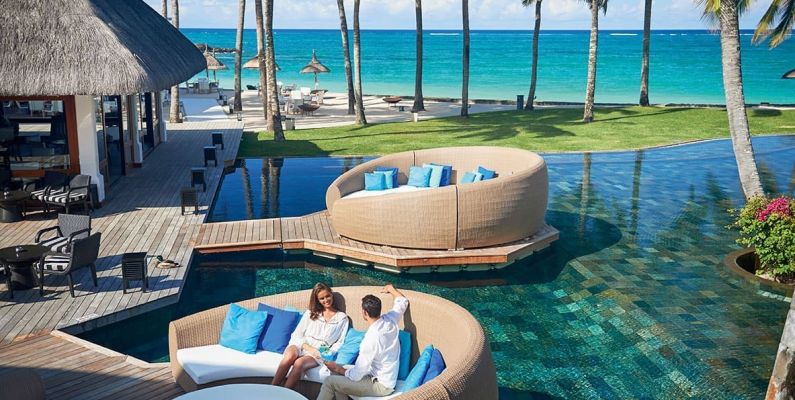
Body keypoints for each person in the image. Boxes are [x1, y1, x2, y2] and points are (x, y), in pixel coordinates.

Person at [319, 284, 409, 400]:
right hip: (379, 376)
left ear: (365, 313)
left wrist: (338, 369)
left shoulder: (371, 339)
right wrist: (391, 289)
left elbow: (357, 375)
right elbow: (402, 301)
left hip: (380, 385)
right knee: (335, 373)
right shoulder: (390, 320)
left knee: (329, 382)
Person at [273, 283, 349, 389]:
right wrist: (307, 347)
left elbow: (339, 342)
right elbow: (297, 334)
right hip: (301, 344)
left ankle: (284, 394)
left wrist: (326, 353)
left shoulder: (342, 318)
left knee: (299, 363)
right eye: (322, 298)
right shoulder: (311, 313)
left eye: (327, 296)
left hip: (319, 351)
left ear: (331, 294)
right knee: (289, 356)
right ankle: (272, 388)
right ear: (317, 300)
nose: (326, 300)